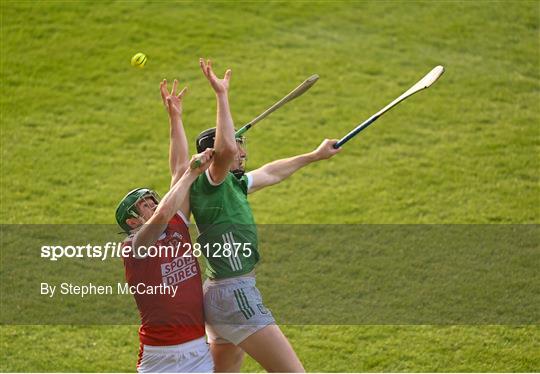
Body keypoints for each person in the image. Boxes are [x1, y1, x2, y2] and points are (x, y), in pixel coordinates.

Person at [190, 58, 341, 372]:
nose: (242, 152)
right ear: (214, 154)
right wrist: (221, 95)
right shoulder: (210, 183)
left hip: (218, 293)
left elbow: (271, 172)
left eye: (242, 145)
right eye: (236, 145)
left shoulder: (232, 183)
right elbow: (227, 151)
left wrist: (315, 155)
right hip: (235, 294)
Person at [115, 79, 214, 373]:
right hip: (159, 355)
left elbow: (178, 168)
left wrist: (175, 118)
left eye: (151, 199)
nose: (153, 205)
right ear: (133, 221)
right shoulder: (134, 246)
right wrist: (191, 175)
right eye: (144, 204)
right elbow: (165, 210)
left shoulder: (176, 223)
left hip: (197, 348)